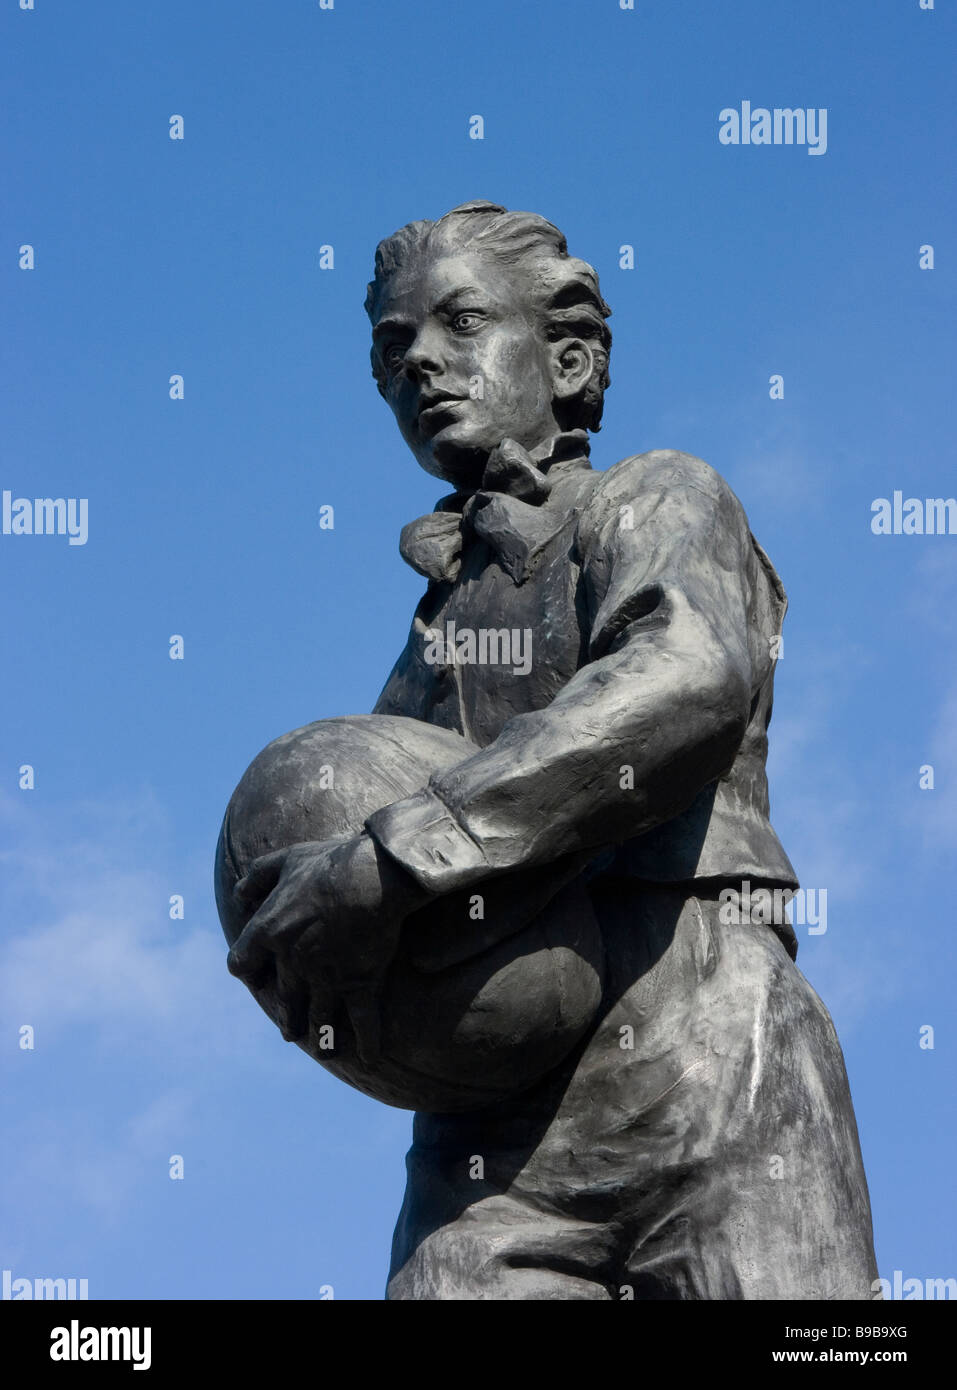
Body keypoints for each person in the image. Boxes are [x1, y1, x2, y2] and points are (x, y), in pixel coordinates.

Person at [224, 201, 878, 1299]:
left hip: (709, 1049)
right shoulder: (423, 647)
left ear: (567, 356)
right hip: (489, 1135)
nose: (420, 362)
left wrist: (392, 860)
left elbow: (686, 679)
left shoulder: (659, 495)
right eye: (394, 349)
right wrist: (332, 981)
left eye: (460, 322)